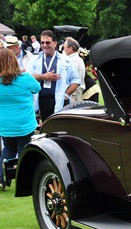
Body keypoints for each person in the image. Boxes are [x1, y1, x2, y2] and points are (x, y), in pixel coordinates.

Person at [0, 48, 41, 190]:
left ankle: (2, 178)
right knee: (24, 151)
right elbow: (37, 88)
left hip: (5, 124)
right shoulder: (25, 78)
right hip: (24, 123)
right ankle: (25, 180)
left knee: (8, 149)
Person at [26, 30, 80, 121]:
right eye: (42, 43)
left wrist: (66, 95)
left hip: (60, 101)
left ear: (55, 44)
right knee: (46, 126)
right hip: (42, 100)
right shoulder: (34, 59)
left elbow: (76, 80)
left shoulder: (66, 60)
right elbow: (28, 78)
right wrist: (44, 77)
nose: (44, 45)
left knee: (61, 127)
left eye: (47, 42)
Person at [62, 37, 86, 103]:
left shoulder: (72, 61)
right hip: (75, 93)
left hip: (72, 95)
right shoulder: (78, 59)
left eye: (65, 47)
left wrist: (66, 94)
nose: (64, 50)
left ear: (70, 48)